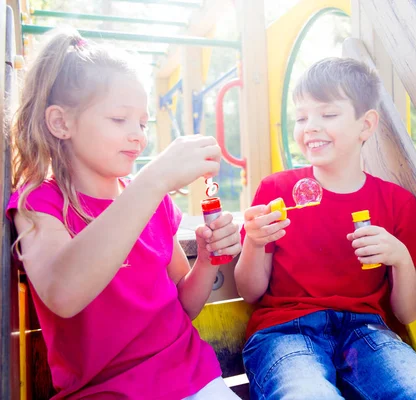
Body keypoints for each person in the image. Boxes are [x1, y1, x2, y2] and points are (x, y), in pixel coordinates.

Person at [7, 28, 241, 400]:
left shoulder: (152, 199)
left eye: (143, 124)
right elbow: (63, 292)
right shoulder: (39, 204)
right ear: (60, 123)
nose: (138, 136)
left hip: (192, 378)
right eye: (119, 120)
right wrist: (154, 181)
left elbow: (183, 306)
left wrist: (209, 260)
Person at [235, 57, 416, 400]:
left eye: (328, 114)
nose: (310, 126)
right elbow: (251, 291)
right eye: (301, 117)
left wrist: (401, 259)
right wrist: (255, 244)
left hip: (366, 335)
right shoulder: (277, 191)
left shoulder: (397, 203)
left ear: (366, 125)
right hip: (285, 333)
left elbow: (407, 313)